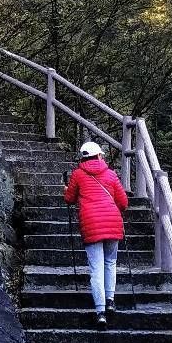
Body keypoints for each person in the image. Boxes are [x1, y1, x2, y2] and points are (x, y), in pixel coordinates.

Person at [63, 140, 128, 328]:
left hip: (91, 224)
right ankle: (110, 300)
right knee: (111, 263)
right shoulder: (111, 174)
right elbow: (123, 203)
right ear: (99, 155)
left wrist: (66, 190)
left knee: (96, 268)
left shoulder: (77, 175)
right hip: (113, 223)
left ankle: (100, 312)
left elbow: (69, 199)